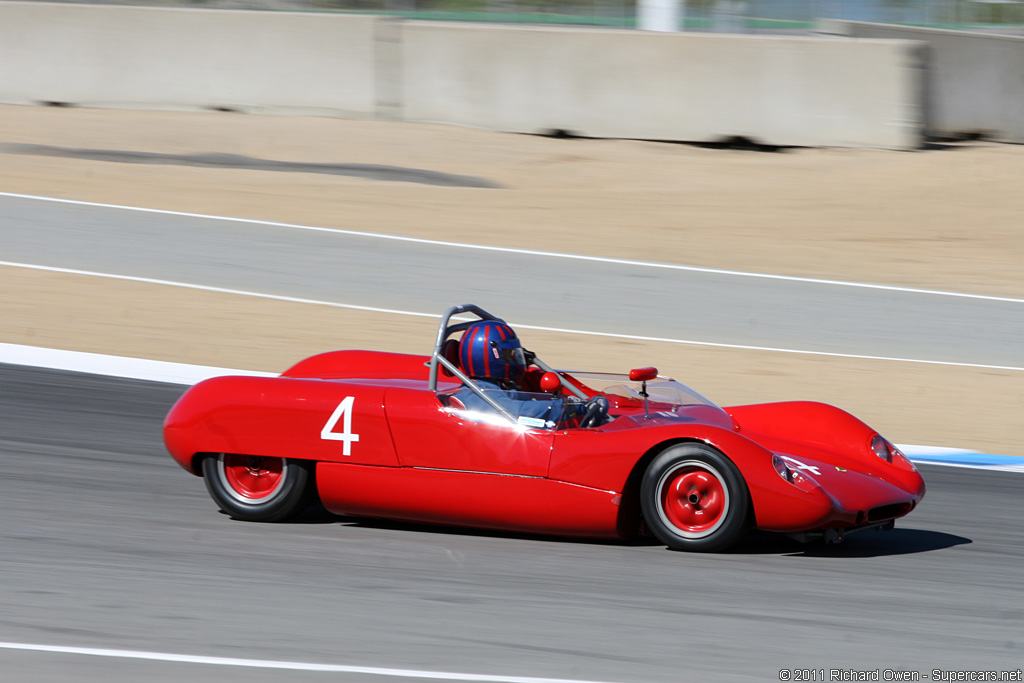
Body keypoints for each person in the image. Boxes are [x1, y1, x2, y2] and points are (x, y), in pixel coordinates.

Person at [450, 320, 607, 429]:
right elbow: (524, 411)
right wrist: (572, 407)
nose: (517, 360)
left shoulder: (498, 388)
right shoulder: (478, 394)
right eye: (510, 355)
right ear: (489, 357)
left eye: (517, 354)